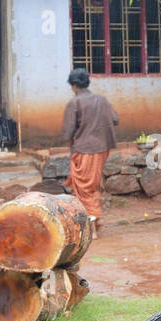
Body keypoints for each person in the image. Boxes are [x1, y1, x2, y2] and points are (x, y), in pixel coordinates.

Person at [61, 68, 119, 237]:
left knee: (85, 188)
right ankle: (95, 221)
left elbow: (68, 132)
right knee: (91, 186)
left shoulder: (75, 102)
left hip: (84, 150)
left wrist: (74, 145)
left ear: (73, 86)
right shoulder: (101, 99)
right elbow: (115, 119)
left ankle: (93, 225)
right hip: (102, 149)